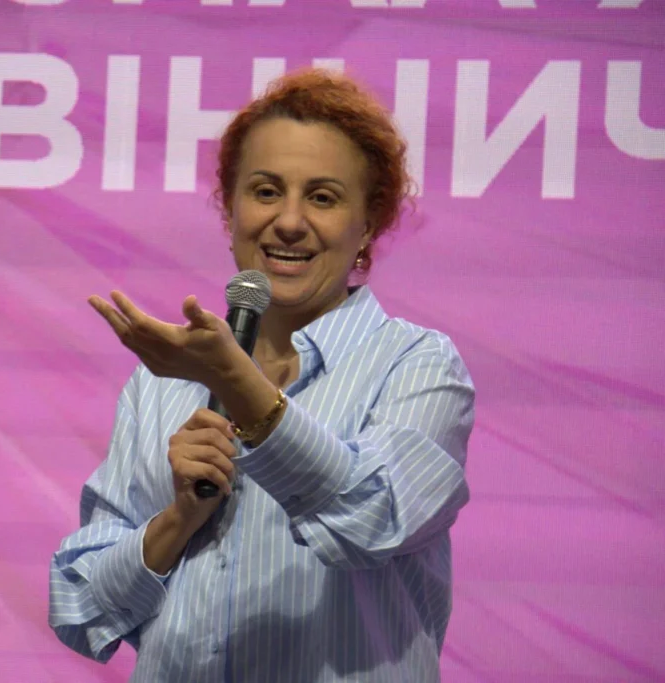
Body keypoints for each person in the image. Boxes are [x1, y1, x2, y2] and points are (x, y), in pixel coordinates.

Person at [49, 68, 474, 682]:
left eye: (322, 198)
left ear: (369, 223)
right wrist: (176, 523)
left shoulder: (418, 364)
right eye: (266, 191)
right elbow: (79, 604)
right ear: (230, 209)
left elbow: (375, 519)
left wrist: (237, 384)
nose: (289, 221)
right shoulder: (162, 383)